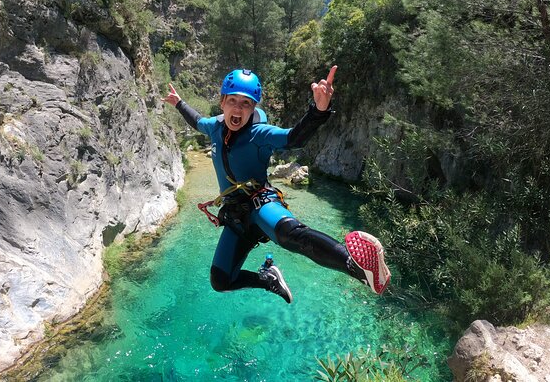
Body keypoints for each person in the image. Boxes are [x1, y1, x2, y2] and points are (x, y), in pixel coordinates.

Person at [162, 66, 390, 303]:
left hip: (260, 204)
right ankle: (269, 279)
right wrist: (179, 103)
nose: (238, 108)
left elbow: (294, 138)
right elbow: (196, 120)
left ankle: (357, 268)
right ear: (222, 103)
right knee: (220, 281)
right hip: (235, 216)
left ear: (253, 109)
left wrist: (318, 110)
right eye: (233, 101)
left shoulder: (259, 133)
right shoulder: (215, 127)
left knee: (291, 235)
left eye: (246, 103)